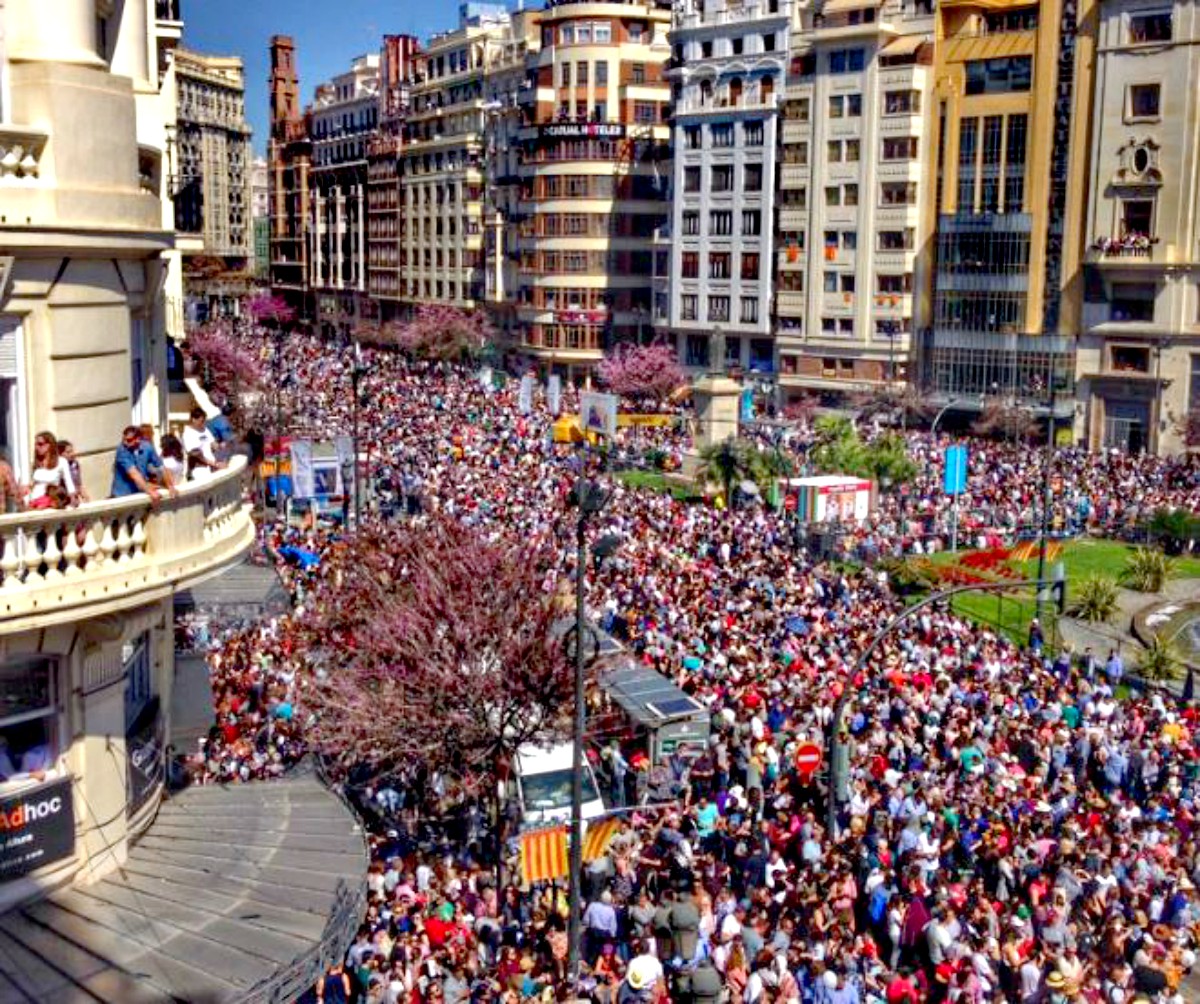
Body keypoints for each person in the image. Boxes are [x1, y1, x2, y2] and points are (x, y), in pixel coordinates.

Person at [111, 425, 175, 504]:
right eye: (123, 440)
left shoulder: (147, 447)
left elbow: (161, 467)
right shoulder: (121, 450)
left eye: (128, 440)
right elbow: (134, 473)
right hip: (121, 497)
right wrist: (150, 492)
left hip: (137, 495)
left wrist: (170, 485)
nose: (125, 443)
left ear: (138, 439)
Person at [25, 431, 75, 508]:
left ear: (50, 445)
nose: (37, 447)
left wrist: (73, 498)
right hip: (34, 502)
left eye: (40, 444)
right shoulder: (36, 463)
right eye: (36, 444)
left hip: (51, 502)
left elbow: (68, 482)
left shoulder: (61, 462)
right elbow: (33, 484)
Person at [182, 406, 224, 477]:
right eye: (201, 421)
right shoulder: (188, 434)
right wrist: (214, 464)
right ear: (193, 419)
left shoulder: (205, 430)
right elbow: (196, 454)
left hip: (212, 466)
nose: (203, 423)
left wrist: (220, 446)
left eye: (204, 421)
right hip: (199, 470)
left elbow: (213, 443)